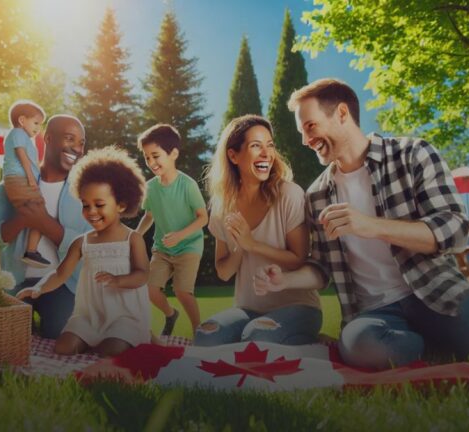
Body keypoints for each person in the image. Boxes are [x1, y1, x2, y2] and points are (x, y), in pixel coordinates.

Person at [254, 78, 469, 373]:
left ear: (342, 114)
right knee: (362, 348)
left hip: (435, 294)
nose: (306, 141)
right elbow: (321, 268)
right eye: (302, 131)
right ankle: (439, 341)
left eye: (310, 126)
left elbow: (454, 229)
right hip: (374, 313)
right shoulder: (317, 194)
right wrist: (286, 280)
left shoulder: (413, 154)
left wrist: (371, 226)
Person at [194, 114, 322, 346]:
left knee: (257, 337)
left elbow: (298, 260)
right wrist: (241, 247)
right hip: (248, 309)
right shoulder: (222, 207)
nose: (266, 153)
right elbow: (223, 272)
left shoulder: (289, 194)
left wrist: (252, 243)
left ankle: (308, 340)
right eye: (256, 146)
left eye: (270, 145)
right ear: (233, 155)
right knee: (205, 334)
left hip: (299, 308)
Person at [17, 146, 150, 357]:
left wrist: (118, 280)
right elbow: (60, 273)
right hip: (90, 315)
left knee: (110, 351)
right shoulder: (82, 242)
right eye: (85, 205)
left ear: (121, 205)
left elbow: (142, 275)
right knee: (63, 348)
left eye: (99, 204)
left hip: (124, 316)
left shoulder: (131, 239)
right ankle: (94, 338)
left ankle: (137, 336)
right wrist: (39, 288)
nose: (91, 212)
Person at [0, 114, 89, 339]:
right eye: (69, 139)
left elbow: (91, 244)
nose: (77, 148)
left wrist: (44, 223)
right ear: (47, 139)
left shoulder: (85, 192)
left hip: (63, 284)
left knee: (61, 333)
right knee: (5, 337)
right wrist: (21, 220)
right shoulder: (9, 187)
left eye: (81, 143)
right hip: (14, 284)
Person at [135, 124, 208, 336]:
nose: (151, 162)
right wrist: (136, 236)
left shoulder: (188, 185)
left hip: (189, 246)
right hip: (162, 248)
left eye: (155, 156)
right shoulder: (150, 188)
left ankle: (199, 332)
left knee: (182, 291)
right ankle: (170, 314)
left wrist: (180, 235)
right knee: (150, 290)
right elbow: (149, 216)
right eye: (147, 157)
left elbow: (203, 218)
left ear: (173, 153)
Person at [2, 100, 50, 268]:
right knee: (40, 213)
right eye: (36, 122)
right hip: (20, 180)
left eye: (40, 124)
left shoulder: (24, 138)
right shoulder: (18, 133)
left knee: (39, 213)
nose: (38, 128)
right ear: (22, 120)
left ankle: (30, 251)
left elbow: (31, 159)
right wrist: (30, 178)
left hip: (21, 179)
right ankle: (30, 251)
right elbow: (22, 156)